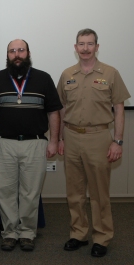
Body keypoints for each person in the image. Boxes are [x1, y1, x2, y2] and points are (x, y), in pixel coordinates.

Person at [57, 28, 130, 257]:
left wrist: (117, 141)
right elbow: (60, 108)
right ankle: (78, 233)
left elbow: (119, 109)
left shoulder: (111, 73)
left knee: (99, 193)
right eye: (81, 44)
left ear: (97, 47)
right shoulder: (67, 74)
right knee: (75, 191)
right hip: (71, 136)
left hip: (99, 138)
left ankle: (101, 237)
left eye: (90, 44)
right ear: (75, 47)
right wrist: (59, 138)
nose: (85, 48)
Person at [0, 39, 62, 252]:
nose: (16, 54)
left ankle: (27, 233)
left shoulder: (43, 78)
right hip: (3, 144)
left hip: (34, 144)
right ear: (7, 54)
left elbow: (53, 112)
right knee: (5, 191)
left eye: (21, 50)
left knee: (30, 192)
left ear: (28, 53)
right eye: (12, 51)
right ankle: (9, 233)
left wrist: (54, 141)